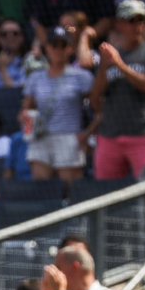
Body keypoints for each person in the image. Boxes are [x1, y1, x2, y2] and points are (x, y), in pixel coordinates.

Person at [90, 0, 145, 181]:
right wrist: (103, 68)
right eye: (131, 20)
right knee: (106, 196)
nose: (137, 26)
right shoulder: (109, 57)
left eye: (141, 20)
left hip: (144, 135)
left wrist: (120, 65)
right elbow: (95, 99)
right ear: (119, 24)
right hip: (110, 137)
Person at [22, 27, 94, 183]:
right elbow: (26, 109)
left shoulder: (82, 77)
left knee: (69, 187)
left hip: (69, 137)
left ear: (70, 49)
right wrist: (26, 121)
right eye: (54, 45)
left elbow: (98, 108)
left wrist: (87, 134)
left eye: (63, 45)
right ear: (47, 48)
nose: (58, 50)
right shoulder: (35, 78)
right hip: (41, 137)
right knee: (41, 187)